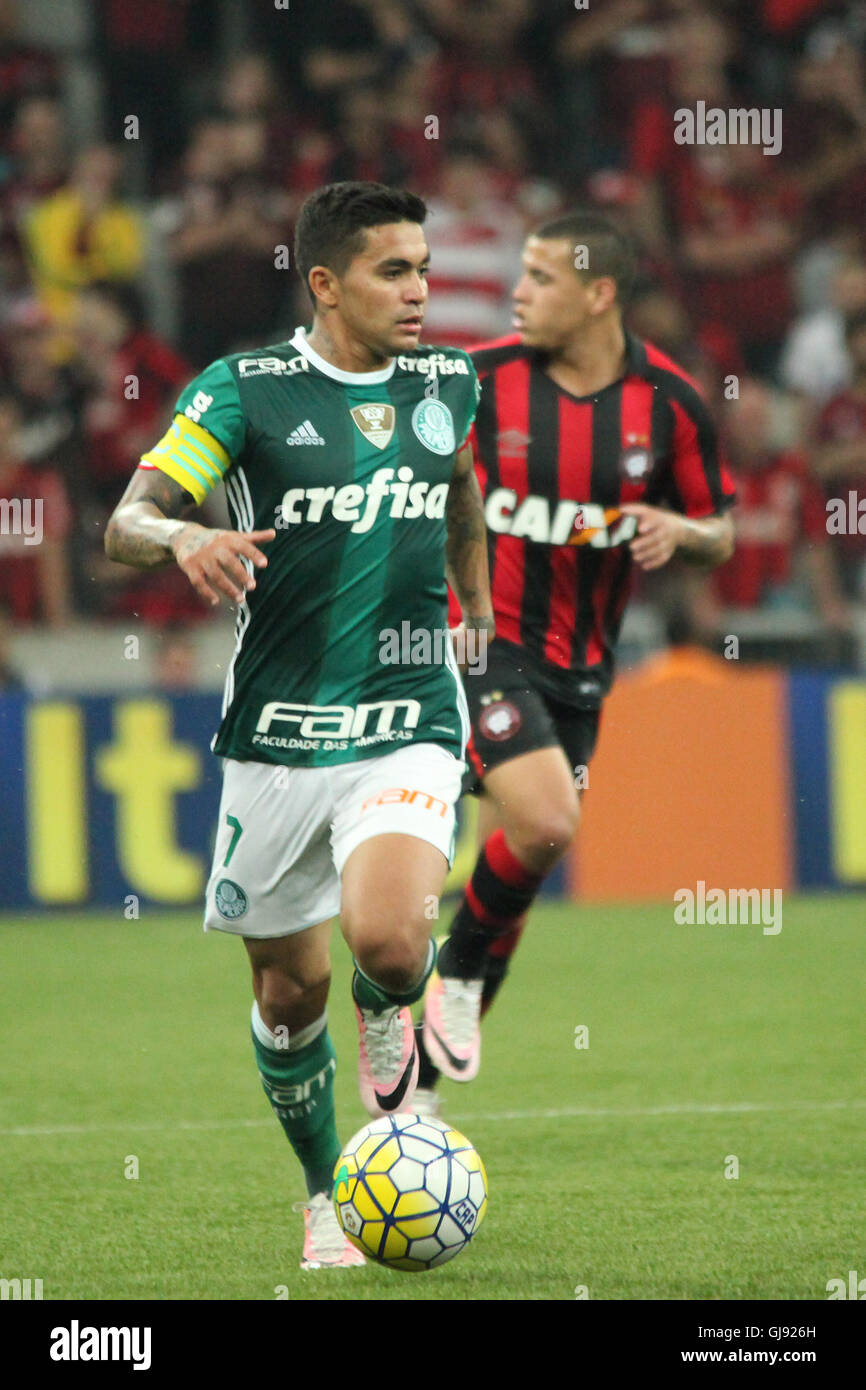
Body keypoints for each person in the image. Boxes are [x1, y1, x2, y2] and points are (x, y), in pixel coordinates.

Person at [104, 182, 494, 1269]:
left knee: (386, 938)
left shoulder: (448, 383)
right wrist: (179, 540)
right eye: (392, 271)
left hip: (408, 711)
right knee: (287, 990)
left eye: (421, 268)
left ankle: (393, 1005)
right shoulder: (246, 392)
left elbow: (463, 499)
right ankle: (326, 1190)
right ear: (324, 284)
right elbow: (125, 520)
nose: (419, 291)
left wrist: (481, 607)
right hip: (277, 733)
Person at [415, 210, 736, 1106]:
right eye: (520, 274)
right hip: (476, 640)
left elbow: (722, 528)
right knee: (548, 821)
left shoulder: (670, 405)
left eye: (541, 278)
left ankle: (422, 1092)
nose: (518, 293)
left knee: (526, 851)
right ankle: (457, 975)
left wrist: (684, 530)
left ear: (600, 294)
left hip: (581, 670)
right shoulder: (477, 382)